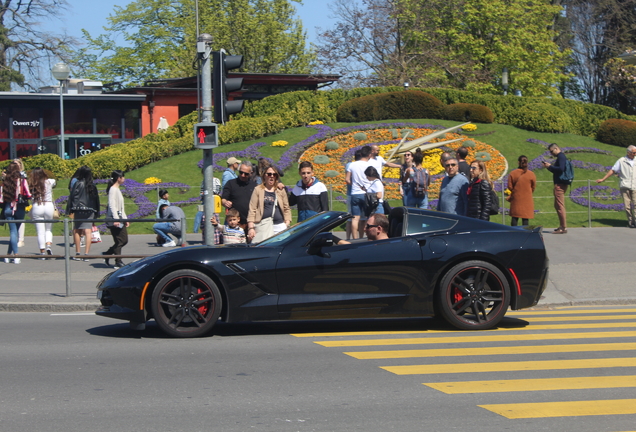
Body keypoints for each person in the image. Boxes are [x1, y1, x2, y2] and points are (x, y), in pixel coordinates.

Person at [247, 164, 291, 242]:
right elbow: (252, 209)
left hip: (279, 226)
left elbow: (286, 208)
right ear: (264, 176)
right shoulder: (258, 190)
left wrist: (286, 223)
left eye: (274, 174)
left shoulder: (280, 190)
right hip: (264, 226)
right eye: (269, 174)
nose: (271, 176)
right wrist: (251, 228)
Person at [66, 165, 100, 260]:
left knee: (77, 230)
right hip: (90, 210)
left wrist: (71, 208)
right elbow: (96, 199)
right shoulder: (92, 186)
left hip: (79, 209)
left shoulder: (78, 184)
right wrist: (96, 211)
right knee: (88, 231)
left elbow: (73, 197)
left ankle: (78, 253)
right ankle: (86, 254)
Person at [597, 145, 636, 227]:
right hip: (625, 185)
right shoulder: (622, 160)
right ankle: (630, 222)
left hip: (635, 185)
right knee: (627, 206)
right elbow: (613, 170)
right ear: (628, 152)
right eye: (633, 152)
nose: (635, 154)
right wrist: (603, 179)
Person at [1, 162, 31, 264]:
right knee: (15, 232)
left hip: (8, 207)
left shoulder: (5, 181)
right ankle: (16, 255)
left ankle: (8, 254)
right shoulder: (22, 180)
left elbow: (1, 198)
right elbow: (28, 194)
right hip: (19, 208)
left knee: (12, 232)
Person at [345, 145, 372, 238]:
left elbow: (347, 180)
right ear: (369, 155)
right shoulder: (369, 165)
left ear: (360, 154)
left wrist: (355, 185)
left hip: (355, 193)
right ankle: (363, 237)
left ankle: (355, 239)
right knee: (366, 218)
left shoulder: (352, 165)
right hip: (366, 193)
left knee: (355, 218)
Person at [103, 170, 129, 269]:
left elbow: (121, 207)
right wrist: (116, 219)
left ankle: (108, 254)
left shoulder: (117, 189)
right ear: (119, 178)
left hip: (120, 217)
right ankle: (118, 261)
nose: (124, 179)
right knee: (120, 240)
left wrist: (125, 219)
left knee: (124, 240)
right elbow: (112, 205)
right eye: (123, 177)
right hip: (115, 218)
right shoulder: (113, 189)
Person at [28, 167, 56, 258]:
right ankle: (48, 245)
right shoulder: (49, 182)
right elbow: (54, 181)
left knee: (40, 232)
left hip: (37, 205)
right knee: (48, 229)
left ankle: (42, 252)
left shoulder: (31, 184)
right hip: (48, 205)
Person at [542, 143, 570, 234]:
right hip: (560, 184)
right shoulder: (561, 157)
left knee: (560, 206)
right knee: (557, 205)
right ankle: (562, 226)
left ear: (556, 148)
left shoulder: (561, 156)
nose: (551, 153)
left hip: (560, 185)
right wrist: (549, 167)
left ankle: (563, 227)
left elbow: (561, 169)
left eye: (551, 151)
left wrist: (550, 166)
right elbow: (557, 170)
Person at [222, 161, 257, 229]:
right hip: (234, 223)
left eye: (246, 174)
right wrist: (225, 202)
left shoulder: (254, 185)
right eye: (241, 172)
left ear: (251, 173)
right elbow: (223, 198)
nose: (243, 175)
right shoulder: (231, 183)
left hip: (249, 222)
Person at [508, 155, 537, 226]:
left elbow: (510, 186)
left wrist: (515, 191)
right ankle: (525, 234)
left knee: (515, 216)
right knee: (525, 217)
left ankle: (514, 233)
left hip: (516, 197)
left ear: (518, 162)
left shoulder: (513, 173)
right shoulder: (531, 174)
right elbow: (533, 187)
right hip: (527, 198)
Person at [13, 158, 27, 247]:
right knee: (12, 220)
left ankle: (20, 239)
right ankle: (14, 237)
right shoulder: (9, 175)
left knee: (21, 220)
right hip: (12, 200)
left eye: (17, 164)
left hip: (20, 200)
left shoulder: (23, 175)